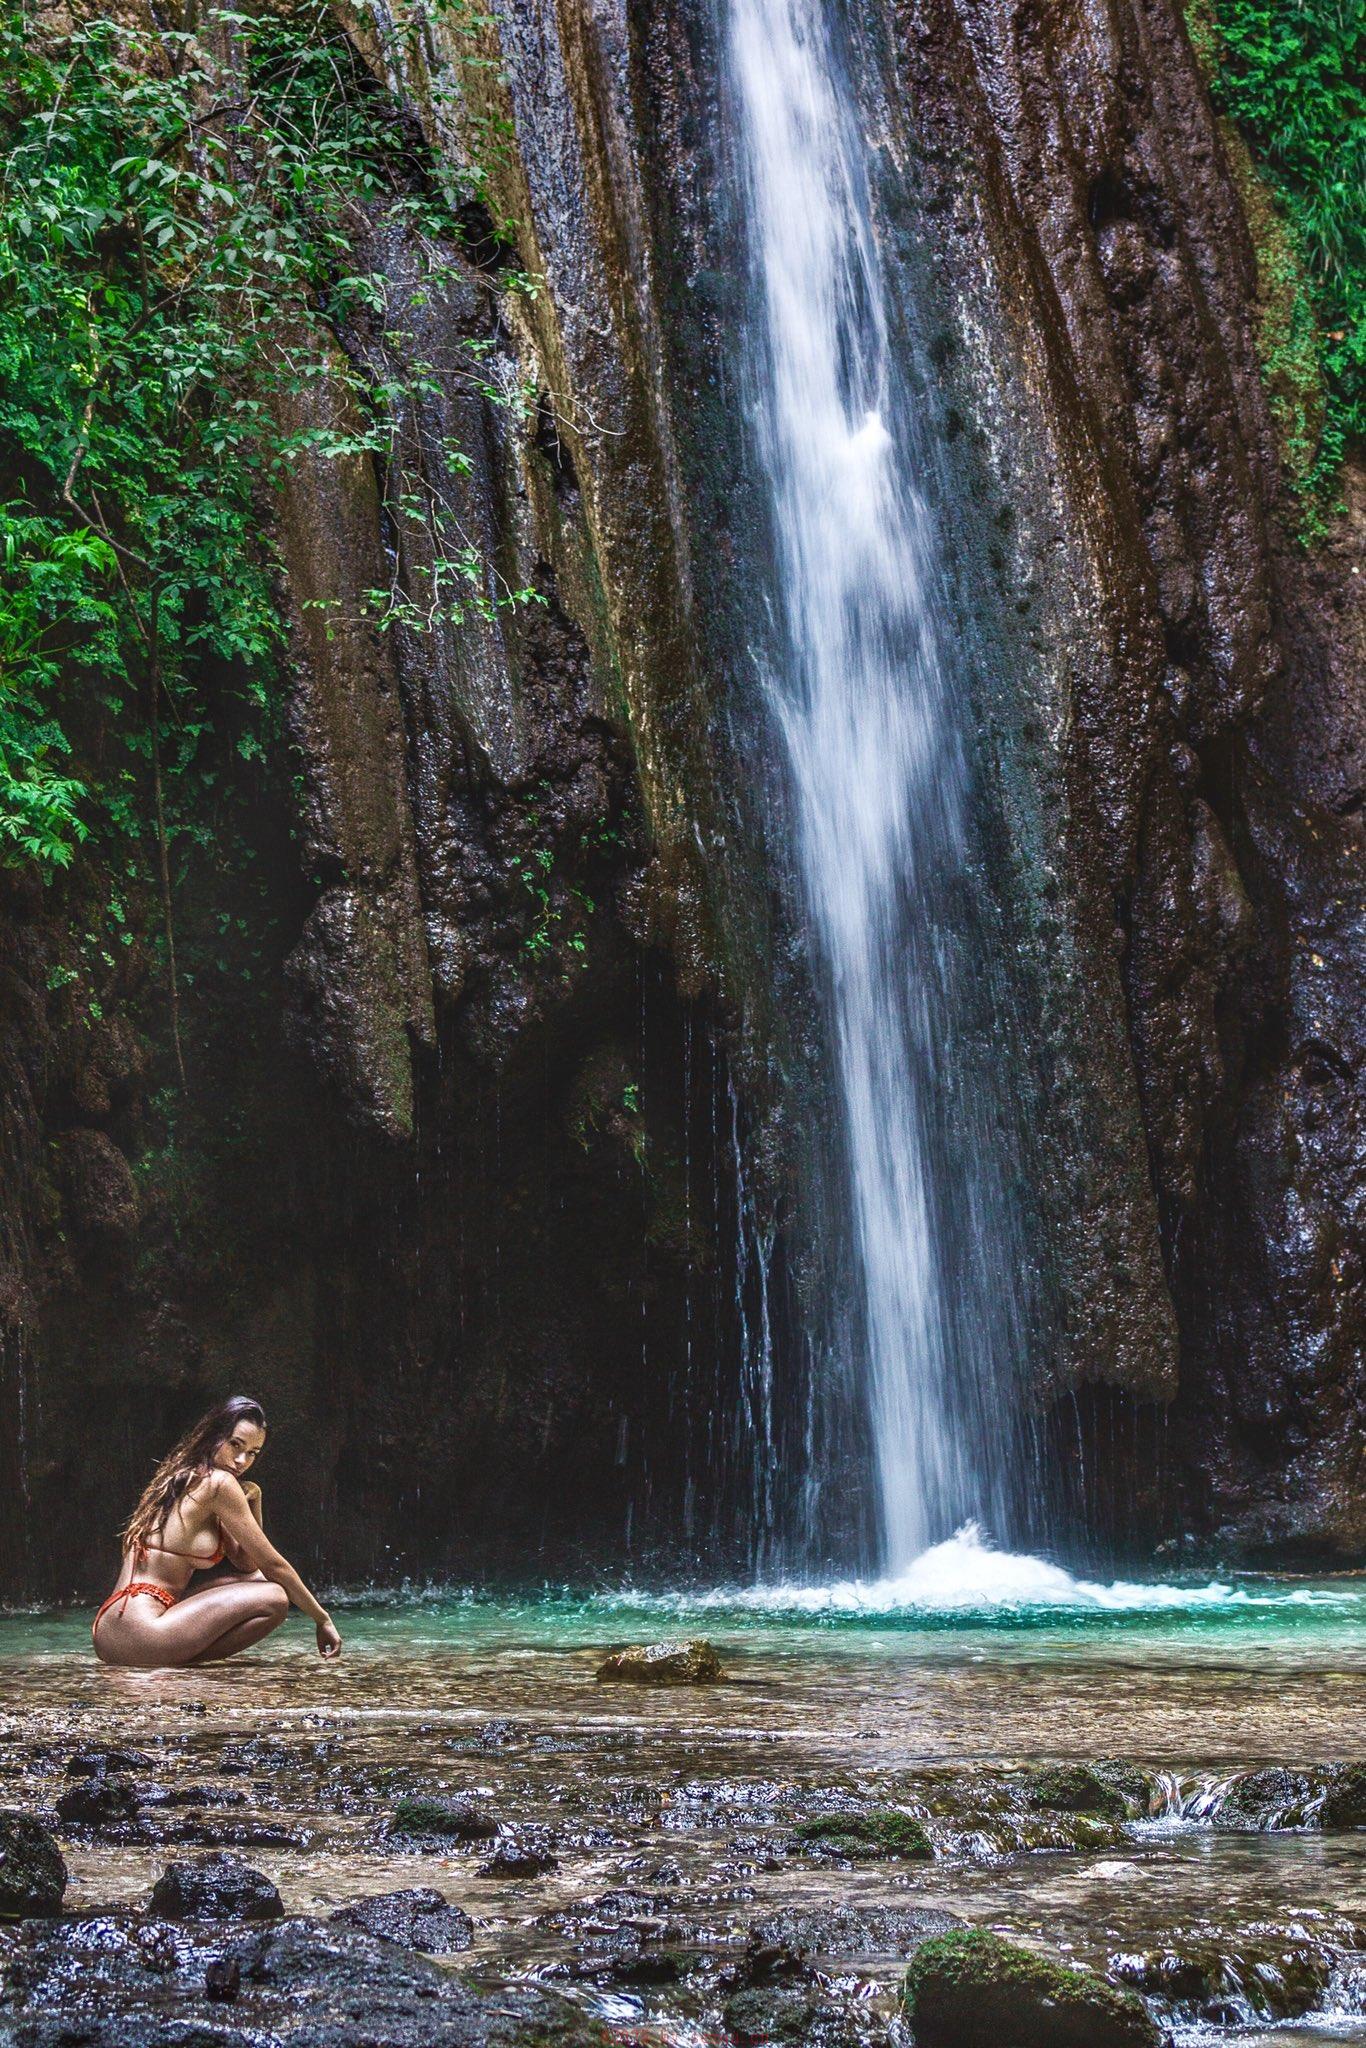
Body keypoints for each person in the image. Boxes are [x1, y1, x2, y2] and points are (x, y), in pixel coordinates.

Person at [92, 1395, 342, 1668]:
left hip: (109, 1631)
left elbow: (246, 1564)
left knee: (257, 1582)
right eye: (235, 1444)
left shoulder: (176, 1475)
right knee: (275, 1596)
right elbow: (273, 1565)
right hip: (143, 1634)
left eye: (253, 1453)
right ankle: (184, 1663)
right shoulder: (219, 1483)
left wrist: (255, 1497)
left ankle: (172, 1658)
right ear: (214, 1435)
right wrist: (321, 1618)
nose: (241, 1460)